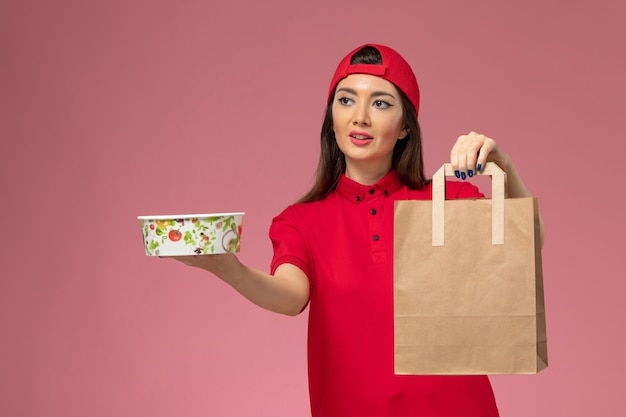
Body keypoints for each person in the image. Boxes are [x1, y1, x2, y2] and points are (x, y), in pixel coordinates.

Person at [172, 44, 544, 417]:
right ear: (331, 116)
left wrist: (503, 165)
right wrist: (227, 268)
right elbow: (290, 296)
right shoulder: (300, 221)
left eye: (381, 103)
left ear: (404, 128)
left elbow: (525, 248)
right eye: (346, 100)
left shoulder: (448, 199)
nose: (360, 117)